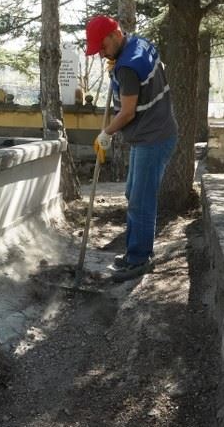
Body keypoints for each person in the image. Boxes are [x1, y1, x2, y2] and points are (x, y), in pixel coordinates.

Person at [85, 15, 178, 282]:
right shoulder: (138, 44)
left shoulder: (127, 66)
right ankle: (133, 251)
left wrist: (106, 133)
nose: (102, 55)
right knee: (132, 193)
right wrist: (115, 69)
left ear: (115, 35)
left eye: (102, 48)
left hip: (153, 137)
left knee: (141, 201)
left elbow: (126, 113)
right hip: (152, 133)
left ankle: (138, 259)